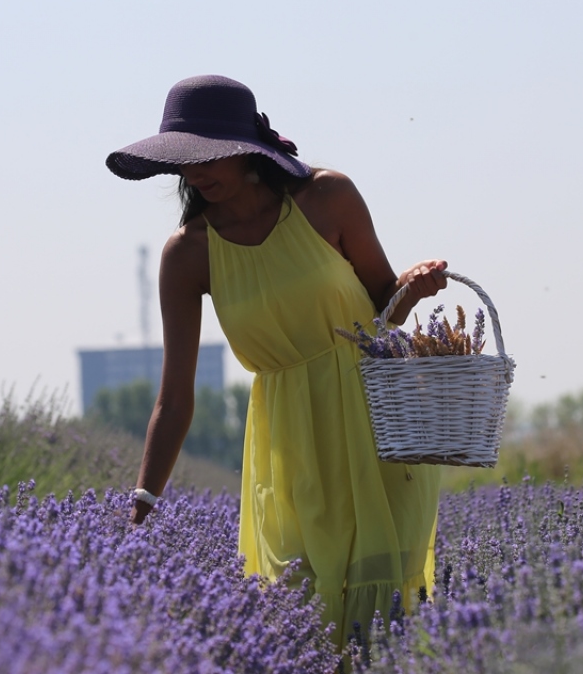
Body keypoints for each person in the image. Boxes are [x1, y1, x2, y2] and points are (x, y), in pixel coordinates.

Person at [105, 74, 448, 648]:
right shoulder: (188, 254)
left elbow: (384, 310)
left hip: (376, 428)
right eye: (183, 159)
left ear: (246, 148)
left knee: (382, 611)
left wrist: (412, 287)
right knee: (302, 613)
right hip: (289, 446)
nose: (194, 171)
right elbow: (175, 397)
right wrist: (143, 502)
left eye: (207, 154)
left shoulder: (327, 198)